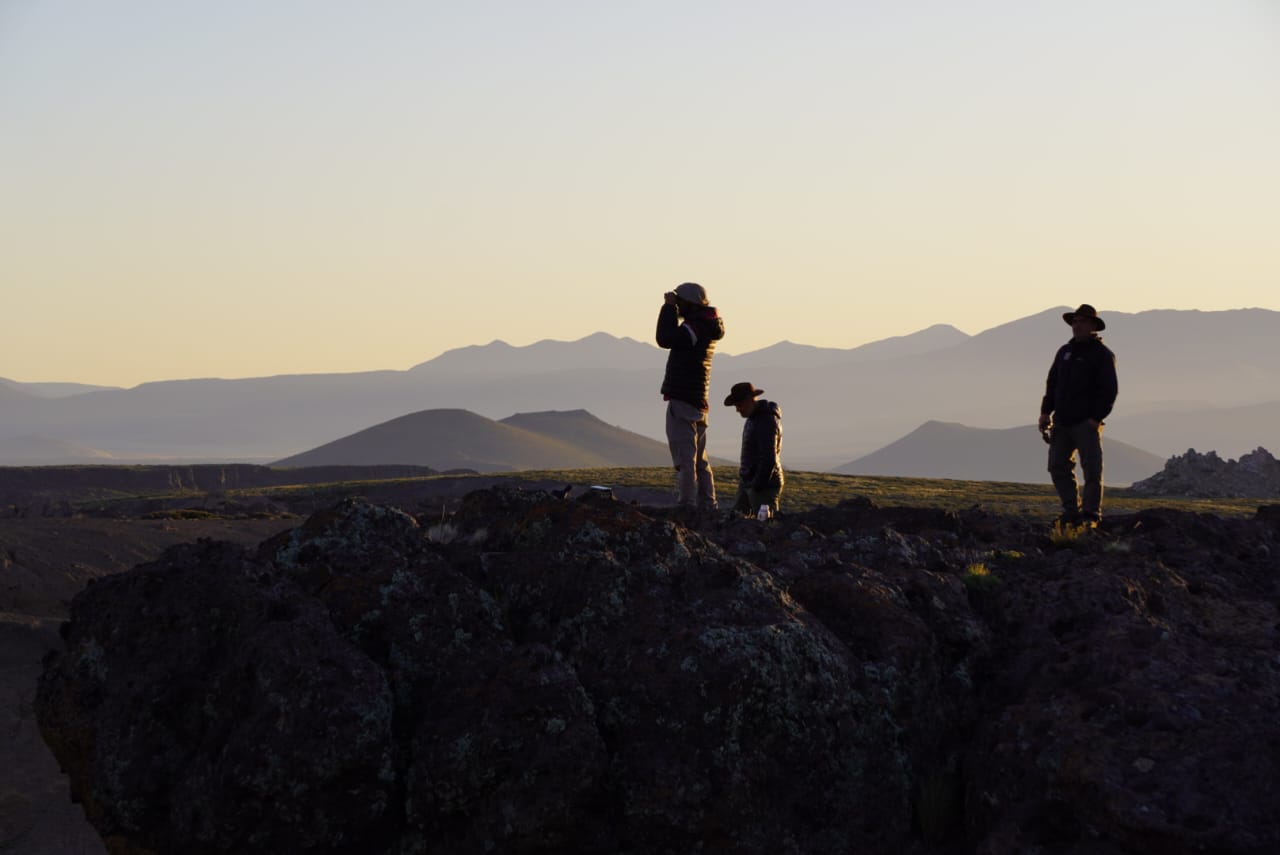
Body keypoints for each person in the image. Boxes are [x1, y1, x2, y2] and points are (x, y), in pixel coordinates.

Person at [1038, 304, 1118, 527]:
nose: (1077, 325)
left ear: (1093, 326)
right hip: (1061, 422)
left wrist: (1095, 418)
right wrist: (1046, 412)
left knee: (1092, 469)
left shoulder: (1102, 355)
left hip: (1086, 423)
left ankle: (1091, 514)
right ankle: (1071, 510)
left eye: (1082, 321)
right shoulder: (1064, 352)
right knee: (1057, 466)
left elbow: (1109, 390)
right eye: (1074, 322)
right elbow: (1052, 383)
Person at [657, 282, 725, 510]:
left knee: (686, 459)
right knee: (700, 459)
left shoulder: (693, 328)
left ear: (689, 303)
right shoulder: (706, 326)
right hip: (698, 399)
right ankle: (708, 505)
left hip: (683, 399)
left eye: (680, 301)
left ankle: (687, 505)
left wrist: (668, 308)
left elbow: (664, 338)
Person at [724, 381, 783, 518]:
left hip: (764, 486)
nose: (737, 409)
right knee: (736, 520)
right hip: (750, 482)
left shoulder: (766, 421)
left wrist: (757, 485)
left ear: (750, 400)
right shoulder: (755, 418)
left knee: (765, 524)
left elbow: (769, 457)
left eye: (739, 405)